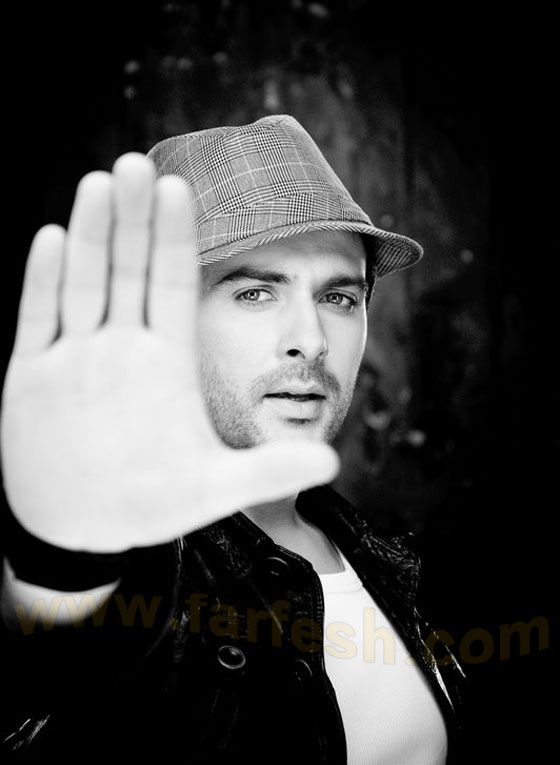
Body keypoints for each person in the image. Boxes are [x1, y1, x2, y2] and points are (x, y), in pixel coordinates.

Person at [0, 115, 465, 762]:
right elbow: (56, 640)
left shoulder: (386, 562)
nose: (310, 339)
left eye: (338, 297)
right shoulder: (144, 571)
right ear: (160, 318)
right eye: (254, 292)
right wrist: (63, 562)